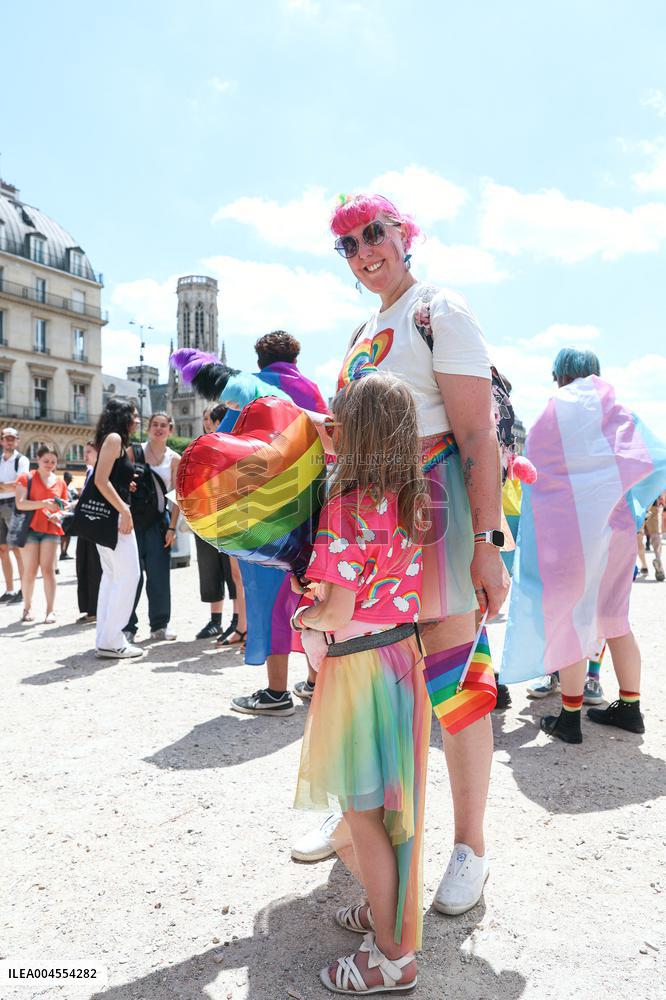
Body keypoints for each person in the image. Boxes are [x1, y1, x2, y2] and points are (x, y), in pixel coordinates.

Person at [293, 194, 508, 916]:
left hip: (437, 510)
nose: (364, 252)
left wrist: (487, 544)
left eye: (373, 234)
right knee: (374, 677)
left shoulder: (439, 309)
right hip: (375, 521)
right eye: (348, 244)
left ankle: (470, 846)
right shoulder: (364, 330)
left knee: (455, 682)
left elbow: (477, 434)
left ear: (404, 235)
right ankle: (369, 823)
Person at [293, 372, 429, 994]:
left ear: (356, 432)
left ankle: (394, 957)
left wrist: (305, 615)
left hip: (358, 669)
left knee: (362, 810)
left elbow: (338, 611)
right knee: (397, 810)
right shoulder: (412, 500)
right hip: (402, 658)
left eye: (338, 421)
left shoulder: (345, 509)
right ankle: (387, 915)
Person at [502, 348, 666, 743]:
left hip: (568, 537)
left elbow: (538, 480)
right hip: (616, 531)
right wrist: (633, 501)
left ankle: (570, 718)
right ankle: (630, 707)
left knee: (572, 620)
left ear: (559, 376)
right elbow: (656, 458)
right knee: (615, 619)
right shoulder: (617, 411)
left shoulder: (551, 413)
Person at [227, 331, 328, 717]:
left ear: (259, 360)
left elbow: (226, 443)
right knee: (309, 591)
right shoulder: (312, 391)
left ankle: (276, 692)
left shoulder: (250, 389)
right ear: (295, 359)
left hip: (265, 509)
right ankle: (314, 681)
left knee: (268, 596)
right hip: (311, 506)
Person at [123, 411, 181, 643]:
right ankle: (127, 626)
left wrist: (172, 528)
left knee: (159, 577)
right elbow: (120, 483)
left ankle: (159, 625)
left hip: (159, 523)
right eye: (155, 424)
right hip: (133, 522)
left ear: (170, 430)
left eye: (163, 425)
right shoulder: (134, 452)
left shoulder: (174, 459)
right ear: (148, 428)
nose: (158, 429)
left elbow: (177, 498)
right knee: (131, 576)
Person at [92, 399, 142, 658]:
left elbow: (107, 478)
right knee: (129, 575)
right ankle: (112, 639)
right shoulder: (114, 439)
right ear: (124, 416)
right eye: (134, 414)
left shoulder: (112, 440)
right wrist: (124, 509)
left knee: (112, 577)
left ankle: (106, 637)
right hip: (116, 519)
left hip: (108, 519)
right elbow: (100, 480)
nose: (138, 420)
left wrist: (124, 484)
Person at [193, 403, 247, 643]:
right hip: (212, 515)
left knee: (237, 574)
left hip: (231, 515)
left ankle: (241, 624)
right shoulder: (206, 447)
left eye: (211, 419)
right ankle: (231, 624)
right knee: (221, 572)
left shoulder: (231, 446)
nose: (208, 424)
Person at [14, 445, 68, 623]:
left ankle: (50, 611)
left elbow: (64, 506)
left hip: (51, 529)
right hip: (30, 529)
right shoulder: (26, 477)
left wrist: (59, 514)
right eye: (46, 461)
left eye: (53, 461)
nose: (50, 464)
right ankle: (27, 608)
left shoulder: (60, 482)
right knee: (30, 570)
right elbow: (21, 503)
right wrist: (43, 503)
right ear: (37, 459)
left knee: (48, 570)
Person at [0, 427, 29, 604]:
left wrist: (3, 485)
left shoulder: (21, 460)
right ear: (2, 441)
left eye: (12, 439)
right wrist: (6, 485)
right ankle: (9, 589)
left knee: (18, 549)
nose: (9, 441)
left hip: (14, 505)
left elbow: (20, 483)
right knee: (2, 549)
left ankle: (24, 589)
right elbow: (12, 484)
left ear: (17, 441)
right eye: (6, 438)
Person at [75, 441, 102, 623]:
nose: (85, 456)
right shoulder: (89, 472)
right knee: (84, 565)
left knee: (94, 568)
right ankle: (90, 609)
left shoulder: (99, 473)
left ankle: (95, 610)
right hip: (85, 525)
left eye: (89, 452)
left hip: (94, 526)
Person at [59, 472, 78, 561]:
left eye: (70, 480)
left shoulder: (72, 488)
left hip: (71, 514)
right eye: (69, 479)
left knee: (69, 534)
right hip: (63, 515)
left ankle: (65, 552)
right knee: (63, 534)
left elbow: (77, 498)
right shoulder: (60, 487)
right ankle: (62, 552)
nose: (70, 481)